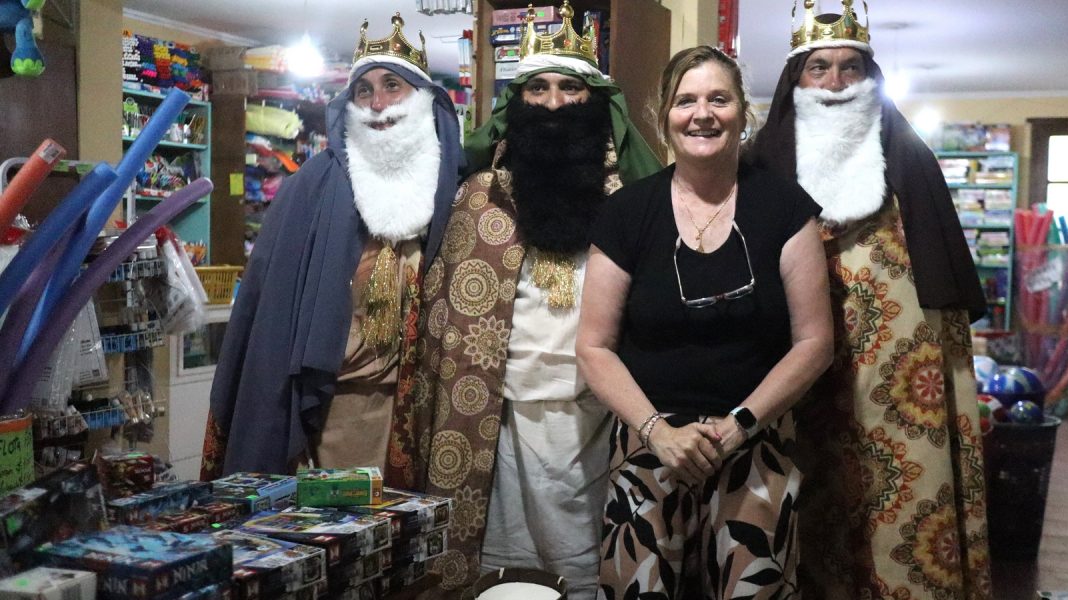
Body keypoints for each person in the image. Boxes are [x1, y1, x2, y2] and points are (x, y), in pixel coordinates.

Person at [387, 2, 661, 597]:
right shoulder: (478, 197)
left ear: (594, 100)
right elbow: (444, 323)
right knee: (506, 571)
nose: (555, 104)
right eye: (538, 88)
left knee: (594, 567)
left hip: (600, 418)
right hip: (499, 420)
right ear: (517, 103)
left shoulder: (632, 203)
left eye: (569, 88)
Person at [746, 1, 992, 598]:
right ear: (796, 80)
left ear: (869, 78)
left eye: (850, 68)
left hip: (901, 386)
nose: (835, 83)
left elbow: (948, 300)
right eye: (819, 68)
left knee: (902, 506)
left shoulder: (915, 163)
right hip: (796, 370)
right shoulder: (757, 167)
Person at [576, 45, 835, 599]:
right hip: (651, 441)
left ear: (743, 112)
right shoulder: (626, 213)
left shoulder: (786, 208)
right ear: (663, 116)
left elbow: (815, 342)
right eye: (685, 101)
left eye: (719, 99)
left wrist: (739, 425)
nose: (702, 114)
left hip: (755, 437)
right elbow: (593, 347)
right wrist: (658, 433)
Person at [200, 12, 462, 479]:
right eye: (364, 90)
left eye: (392, 86)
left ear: (422, 98)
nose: (378, 104)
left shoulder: (453, 193)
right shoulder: (311, 188)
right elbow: (271, 311)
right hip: (330, 411)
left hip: (422, 412)